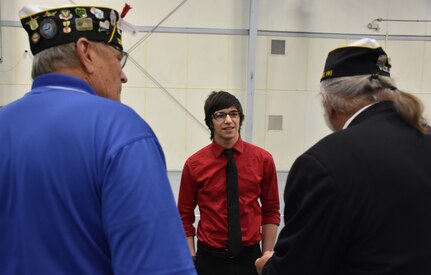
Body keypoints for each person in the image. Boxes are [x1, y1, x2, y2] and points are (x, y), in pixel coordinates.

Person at [0, 5, 196, 275]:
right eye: (118, 58)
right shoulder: (121, 130)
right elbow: (158, 268)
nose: (123, 74)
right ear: (86, 52)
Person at [255, 38, 431, 274]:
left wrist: (268, 267)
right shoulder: (422, 139)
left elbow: (300, 267)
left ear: (329, 102)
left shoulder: (323, 163)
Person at [178, 91, 281, 275]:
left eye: (233, 114)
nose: (228, 120)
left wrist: (266, 255)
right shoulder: (194, 165)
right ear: (210, 122)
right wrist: (191, 258)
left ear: (240, 119)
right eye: (220, 115)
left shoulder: (263, 160)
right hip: (209, 260)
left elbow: (271, 210)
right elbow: (184, 216)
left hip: (251, 258)